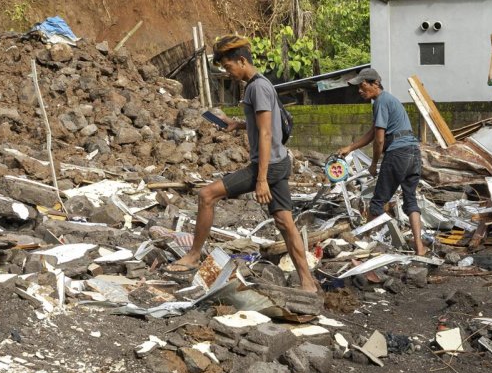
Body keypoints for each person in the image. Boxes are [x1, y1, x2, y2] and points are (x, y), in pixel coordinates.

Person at [166, 35, 319, 293]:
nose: (229, 72)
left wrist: (260, 179)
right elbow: (265, 125)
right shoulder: (263, 84)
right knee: (284, 221)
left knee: (206, 195)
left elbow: (267, 134)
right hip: (280, 162)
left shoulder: (255, 88)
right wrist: (238, 125)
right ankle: (308, 283)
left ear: (241, 60)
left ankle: (193, 256)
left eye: (228, 67)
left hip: (268, 165)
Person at [337, 68, 427, 256]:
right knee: (410, 200)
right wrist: (350, 148)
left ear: (375, 84)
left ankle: (364, 243)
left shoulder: (380, 102)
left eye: (362, 86)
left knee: (377, 202)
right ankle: (420, 248)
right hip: (413, 153)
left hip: (398, 155)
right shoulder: (389, 100)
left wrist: (373, 164)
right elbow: (373, 132)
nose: (360, 91)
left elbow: (379, 140)